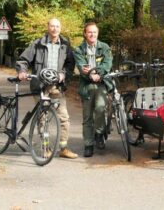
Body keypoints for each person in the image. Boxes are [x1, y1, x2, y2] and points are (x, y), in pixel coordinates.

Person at [16, 18, 78, 159]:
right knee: (43, 118)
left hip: (57, 87)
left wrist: (64, 74)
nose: (55, 29)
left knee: (63, 118)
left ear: (60, 28)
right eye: (52, 26)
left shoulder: (65, 45)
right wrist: (22, 71)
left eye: (57, 26)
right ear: (48, 27)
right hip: (40, 86)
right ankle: (45, 149)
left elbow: (70, 65)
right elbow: (23, 60)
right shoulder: (38, 44)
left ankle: (63, 148)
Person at [74, 22, 113, 158]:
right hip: (86, 86)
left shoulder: (105, 47)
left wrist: (97, 73)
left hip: (102, 83)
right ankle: (88, 144)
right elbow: (81, 67)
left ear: (98, 33)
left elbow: (107, 64)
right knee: (87, 117)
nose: (92, 34)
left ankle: (99, 133)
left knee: (101, 108)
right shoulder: (79, 50)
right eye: (89, 32)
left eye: (94, 32)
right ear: (85, 34)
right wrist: (90, 74)